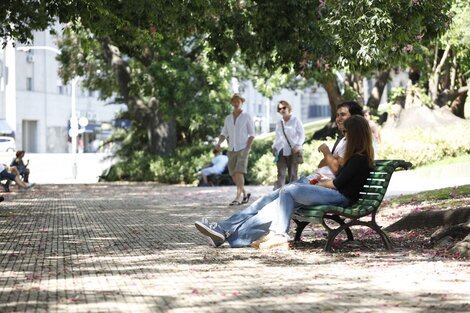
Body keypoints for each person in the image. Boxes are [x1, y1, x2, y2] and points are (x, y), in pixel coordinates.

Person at [195, 101, 364, 248]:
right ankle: (225, 232)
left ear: (355, 118)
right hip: (315, 180)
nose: (338, 118)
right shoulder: (343, 140)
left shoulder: (355, 142)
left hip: (326, 188)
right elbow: (325, 164)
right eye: (337, 114)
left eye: (343, 114)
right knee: (264, 203)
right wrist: (329, 158)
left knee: (275, 205)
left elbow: (336, 170)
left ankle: (231, 234)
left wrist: (327, 152)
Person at [215, 93, 255, 206]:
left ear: (241, 103)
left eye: (239, 101)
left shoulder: (247, 117)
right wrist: (218, 143)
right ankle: (245, 194)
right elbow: (224, 133)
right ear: (232, 103)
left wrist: (247, 148)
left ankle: (237, 197)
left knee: (239, 172)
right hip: (231, 148)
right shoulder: (228, 118)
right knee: (233, 174)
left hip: (243, 148)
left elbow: (252, 134)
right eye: (234, 101)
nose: (236, 103)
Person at [272, 100, 305, 189]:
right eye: (280, 108)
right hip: (281, 151)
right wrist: (274, 147)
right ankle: (279, 194)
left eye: (284, 107)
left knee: (293, 174)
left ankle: (292, 194)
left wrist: (298, 145)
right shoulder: (279, 122)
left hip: (293, 150)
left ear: (288, 108)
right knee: (281, 174)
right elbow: (277, 137)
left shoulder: (295, 120)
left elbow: (302, 134)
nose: (282, 110)